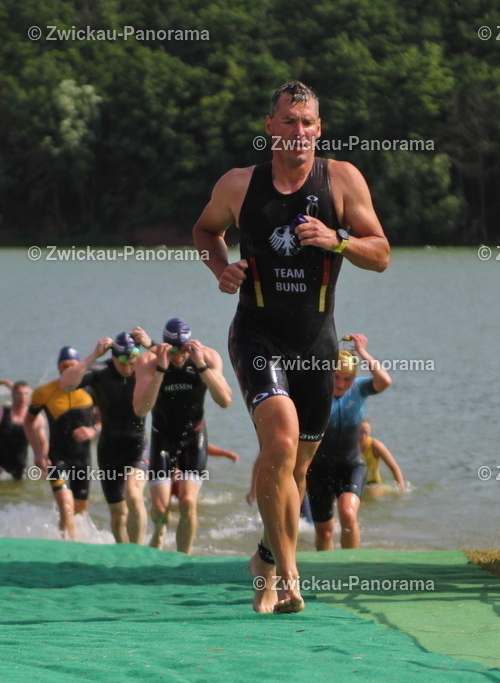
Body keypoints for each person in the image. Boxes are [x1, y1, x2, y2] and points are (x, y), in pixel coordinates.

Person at [193, 81, 389, 612]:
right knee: (278, 445)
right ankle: (288, 577)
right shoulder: (239, 184)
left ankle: (264, 557)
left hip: (316, 342)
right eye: (288, 121)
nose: (298, 131)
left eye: (307, 123)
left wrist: (337, 239)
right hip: (257, 333)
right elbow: (205, 231)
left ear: (318, 129)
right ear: (270, 126)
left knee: (297, 469)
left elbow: (381, 254)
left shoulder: (342, 179)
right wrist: (221, 268)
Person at [132, 318, 232, 555]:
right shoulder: (148, 361)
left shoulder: (208, 357)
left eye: (184, 350)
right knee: (160, 509)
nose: (179, 356)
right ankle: (159, 530)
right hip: (162, 437)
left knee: (188, 502)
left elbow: (225, 401)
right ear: (164, 346)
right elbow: (141, 410)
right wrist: (161, 369)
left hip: (194, 436)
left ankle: (183, 559)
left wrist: (201, 367)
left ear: (191, 345)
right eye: (173, 351)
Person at [59, 330, 151, 544]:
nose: (128, 369)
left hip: (137, 446)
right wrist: (92, 356)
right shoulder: (100, 372)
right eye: (122, 364)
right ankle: (123, 551)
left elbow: (174, 364)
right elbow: (65, 384)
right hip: (109, 450)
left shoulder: (145, 369)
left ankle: (138, 552)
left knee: (134, 495)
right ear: (113, 357)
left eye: (132, 363)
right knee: (118, 512)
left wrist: (151, 344)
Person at [307, 336, 391, 550]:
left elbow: (385, 381)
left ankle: (351, 564)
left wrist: (362, 353)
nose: (341, 384)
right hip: (318, 469)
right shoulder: (316, 390)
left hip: (351, 465)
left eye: (347, 379)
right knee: (324, 530)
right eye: (336, 377)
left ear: (354, 378)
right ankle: (327, 566)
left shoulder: (360, 389)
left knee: (347, 514)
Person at [25, 346, 98, 541]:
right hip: (57, 458)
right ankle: (70, 549)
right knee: (66, 506)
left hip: (83, 460)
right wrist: (38, 453)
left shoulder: (92, 389)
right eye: (65, 366)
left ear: (79, 366)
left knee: (79, 513)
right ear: (58, 367)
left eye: (72, 365)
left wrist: (94, 430)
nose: (68, 369)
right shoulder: (44, 392)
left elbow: (106, 417)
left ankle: (65, 541)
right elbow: (28, 422)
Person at [0, 381, 39, 480]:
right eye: (19, 394)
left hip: (22, 469)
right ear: (12, 394)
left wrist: (42, 459)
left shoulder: (35, 418)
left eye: (26, 394)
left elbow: (43, 442)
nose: (23, 397)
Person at [359, 420, 405, 494]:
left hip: (372, 485)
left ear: (370, 433)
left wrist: (401, 489)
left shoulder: (376, 446)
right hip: (354, 484)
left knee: (373, 493)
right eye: (360, 432)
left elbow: (394, 468)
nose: (362, 436)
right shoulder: (348, 446)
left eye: (366, 433)